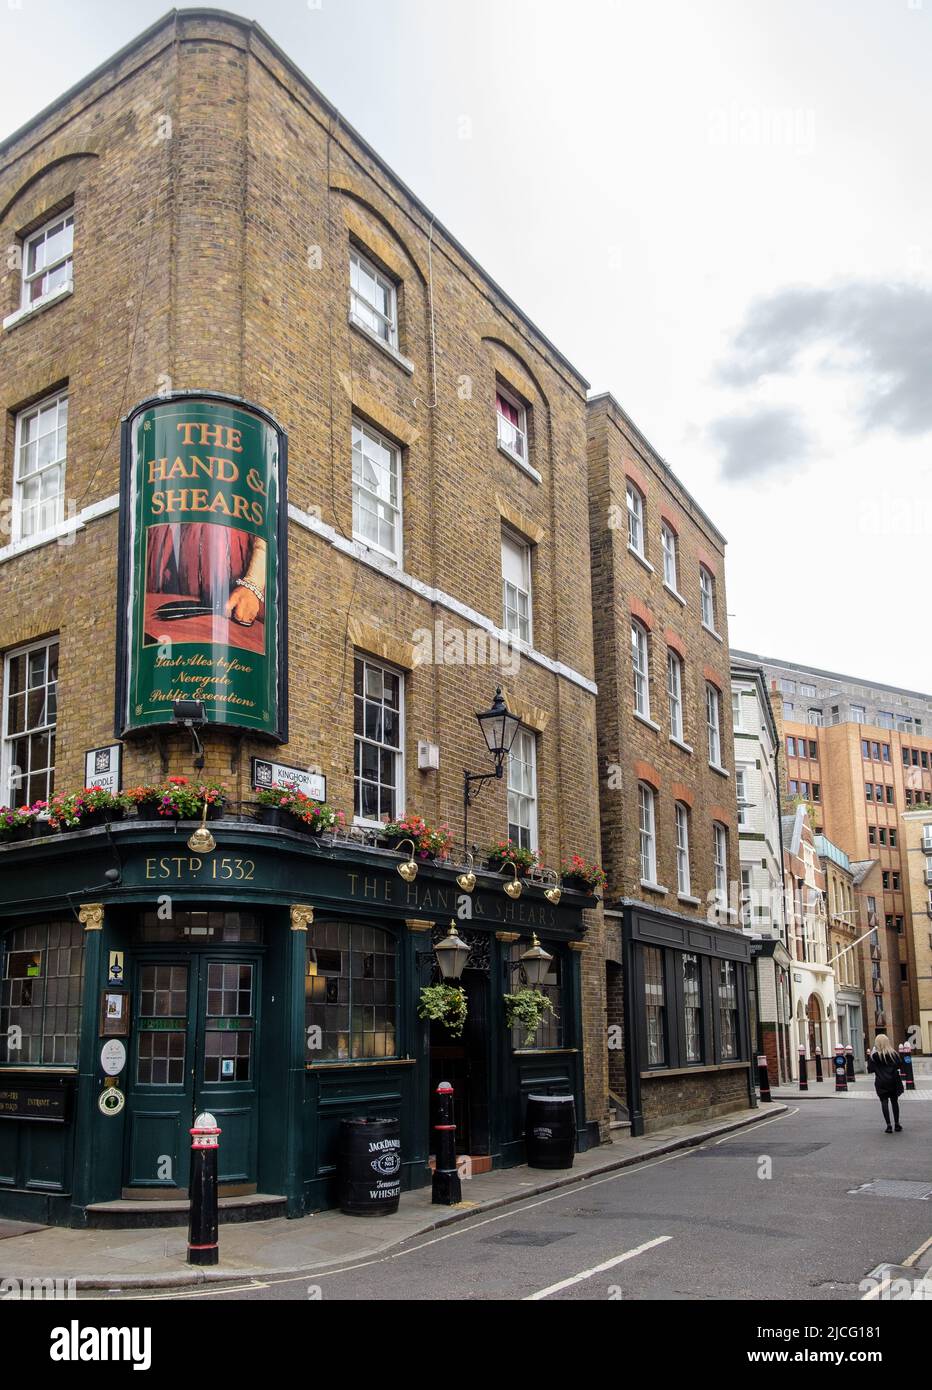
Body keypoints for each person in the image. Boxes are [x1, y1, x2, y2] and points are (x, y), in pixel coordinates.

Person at [866, 1033, 904, 1133]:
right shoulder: (894, 1054)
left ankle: (888, 1125)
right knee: (894, 1102)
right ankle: (897, 1124)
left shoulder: (875, 1056)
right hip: (893, 1081)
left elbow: (870, 1069)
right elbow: (900, 1066)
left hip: (881, 1082)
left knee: (884, 1102)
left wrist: (870, 1056)